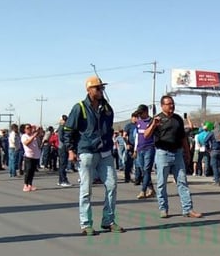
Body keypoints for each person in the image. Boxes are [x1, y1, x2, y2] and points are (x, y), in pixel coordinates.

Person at [63, 76, 124, 235]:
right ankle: (86, 224)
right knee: (86, 189)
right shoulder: (80, 107)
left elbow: (109, 128)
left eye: (102, 88)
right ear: (89, 90)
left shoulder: (107, 108)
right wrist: (71, 150)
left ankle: (108, 220)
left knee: (112, 185)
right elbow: (68, 130)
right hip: (87, 152)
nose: (101, 91)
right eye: (98, 88)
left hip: (105, 152)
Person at [144, 94, 202, 220]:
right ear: (162, 105)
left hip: (177, 153)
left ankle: (188, 209)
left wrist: (187, 153)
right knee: (161, 183)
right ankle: (163, 208)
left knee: (182, 182)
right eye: (169, 104)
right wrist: (154, 125)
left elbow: (183, 138)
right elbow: (146, 135)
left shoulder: (178, 119)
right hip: (162, 153)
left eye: (173, 103)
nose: (172, 106)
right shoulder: (157, 119)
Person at [133, 104, 156, 199]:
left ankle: (143, 190)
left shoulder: (151, 121)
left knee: (147, 170)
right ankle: (151, 189)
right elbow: (137, 137)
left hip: (149, 148)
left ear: (146, 112)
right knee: (143, 171)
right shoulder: (138, 122)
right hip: (140, 149)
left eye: (141, 113)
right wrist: (135, 149)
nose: (140, 115)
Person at [21, 123, 43, 191]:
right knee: (28, 170)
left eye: (30, 127)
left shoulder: (35, 136)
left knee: (32, 171)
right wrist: (33, 136)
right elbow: (26, 143)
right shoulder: (24, 136)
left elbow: (39, 143)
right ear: (24, 130)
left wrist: (37, 131)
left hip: (35, 156)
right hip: (28, 156)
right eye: (27, 128)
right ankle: (25, 185)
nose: (29, 129)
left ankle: (30, 185)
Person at [56, 115, 72, 187]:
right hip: (62, 147)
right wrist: (68, 143)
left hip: (62, 147)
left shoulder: (63, 127)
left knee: (62, 164)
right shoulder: (62, 127)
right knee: (63, 164)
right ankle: (63, 180)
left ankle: (61, 180)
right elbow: (62, 138)